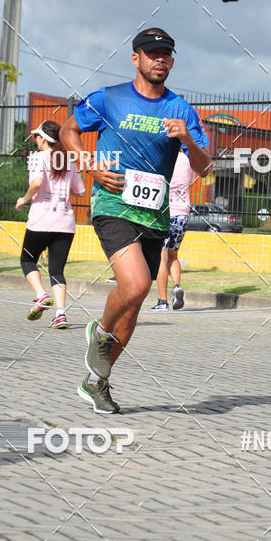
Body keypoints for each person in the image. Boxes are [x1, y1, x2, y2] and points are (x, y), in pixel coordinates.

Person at [61, 27, 212, 413]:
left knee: (135, 301)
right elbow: (68, 130)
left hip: (154, 215)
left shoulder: (181, 109)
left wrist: (188, 141)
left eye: (166, 53)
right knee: (136, 283)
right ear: (136, 58)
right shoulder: (110, 99)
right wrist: (88, 164)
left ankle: (97, 382)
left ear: (172, 61)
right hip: (113, 204)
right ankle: (99, 332)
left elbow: (205, 168)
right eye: (152, 53)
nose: (159, 59)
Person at [16, 120, 85, 329]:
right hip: (65, 223)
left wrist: (24, 199)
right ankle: (61, 314)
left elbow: (36, 183)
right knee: (57, 270)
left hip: (41, 221)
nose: (35, 140)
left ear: (44, 139)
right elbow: (80, 191)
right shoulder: (69, 160)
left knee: (27, 260)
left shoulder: (37, 158)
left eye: (37, 136)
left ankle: (40, 295)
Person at [152, 149, 199, 311]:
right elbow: (191, 180)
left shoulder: (162, 156)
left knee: (162, 258)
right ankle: (177, 286)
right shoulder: (188, 159)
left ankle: (162, 301)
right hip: (183, 213)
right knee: (173, 255)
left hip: (166, 212)